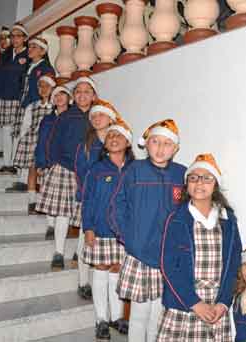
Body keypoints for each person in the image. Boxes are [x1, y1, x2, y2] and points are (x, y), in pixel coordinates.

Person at [111, 119, 186, 342]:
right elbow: (117, 205)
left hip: (168, 256)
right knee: (139, 314)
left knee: (159, 314)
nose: (161, 148)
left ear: (175, 148)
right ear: (146, 144)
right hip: (140, 254)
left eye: (167, 143)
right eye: (155, 142)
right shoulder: (134, 170)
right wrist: (128, 238)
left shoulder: (182, 174)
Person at [157, 153, 242, 341]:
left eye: (206, 178)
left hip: (217, 304)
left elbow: (234, 264)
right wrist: (194, 303)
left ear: (215, 185)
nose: (199, 183)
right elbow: (168, 265)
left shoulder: (228, 220)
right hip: (184, 301)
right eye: (193, 178)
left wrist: (224, 302)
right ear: (187, 184)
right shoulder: (176, 219)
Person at [35, 77, 96, 271]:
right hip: (64, 168)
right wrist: (50, 163)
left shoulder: (98, 117)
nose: (82, 95)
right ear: (73, 96)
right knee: (62, 212)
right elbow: (52, 141)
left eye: (87, 91)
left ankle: (80, 252)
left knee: (82, 214)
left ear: (94, 95)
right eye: (78, 91)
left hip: (88, 172)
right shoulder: (65, 117)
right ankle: (59, 252)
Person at [82, 117, 134, 340]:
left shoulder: (135, 169)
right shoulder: (97, 168)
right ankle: (101, 319)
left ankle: (117, 316)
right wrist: (88, 228)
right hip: (101, 229)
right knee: (101, 269)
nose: (114, 139)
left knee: (117, 270)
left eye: (119, 135)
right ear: (105, 143)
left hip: (124, 233)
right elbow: (88, 199)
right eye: (110, 136)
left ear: (128, 143)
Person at [74, 98, 119, 300]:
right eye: (94, 116)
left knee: (106, 251)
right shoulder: (86, 145)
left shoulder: (117, 142)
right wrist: (86, 196)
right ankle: (83, 282)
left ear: (111, 119)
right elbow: (80, 171)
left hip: (111, 206)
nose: (97, 118)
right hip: (91, 200)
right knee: (87, 241)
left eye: (101, 115)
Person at [0, 36, 54, 177]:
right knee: (15, 133)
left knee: (26, 136)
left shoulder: (45, 67)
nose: (30, 49)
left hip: (33, 104)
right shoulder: (28, 66)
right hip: (23, 104)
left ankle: (20, 171)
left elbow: (46, 87)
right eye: (30, 46)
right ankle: (10, 164)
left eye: (34, 47)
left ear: (42, 51)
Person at [0, 22, 29, 160]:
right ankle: (5, 158)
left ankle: (11, 162)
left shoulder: (28, 55)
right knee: (4, 129)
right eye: (12, 36)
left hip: (16, 98)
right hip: (2, 95)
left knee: (13, 131)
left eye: (18, 36)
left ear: (25, 38)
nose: (15, 39)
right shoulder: (7, 53)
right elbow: (0, 75)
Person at [12, 73, 55, 213]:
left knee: (46, 171)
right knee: (33, 169)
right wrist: (22, 139)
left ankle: (43, 200)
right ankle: (32, 200)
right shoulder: (33, 106)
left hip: (48, 140)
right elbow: (26, 125)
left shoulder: (54, 106)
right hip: (32, 140)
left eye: (46, 86)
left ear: (52, 88)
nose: (43, 89)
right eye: (41, 86)